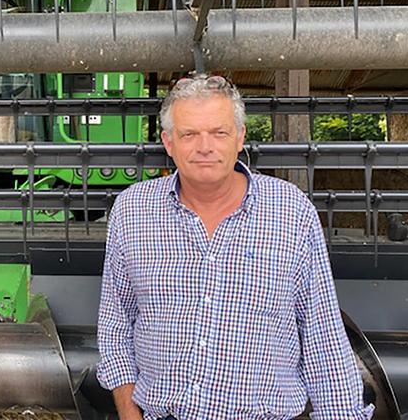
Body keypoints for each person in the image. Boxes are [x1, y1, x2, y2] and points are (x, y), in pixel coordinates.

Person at [96, 74, 373, 420]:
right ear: (168, 142)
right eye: (189, 134)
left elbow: (322, 336)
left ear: (240, 136)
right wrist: (127, 410)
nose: (205, 146)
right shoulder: (132, 210)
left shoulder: (290, 212)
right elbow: (116, 322)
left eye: (219, 132)